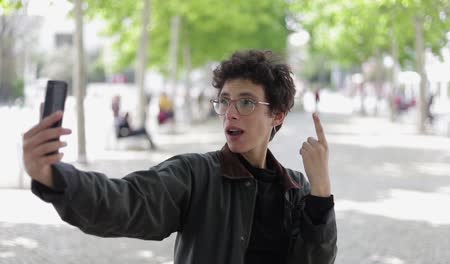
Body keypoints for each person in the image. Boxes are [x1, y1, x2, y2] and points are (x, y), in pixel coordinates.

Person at [22, 50, 337, 264]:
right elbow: (126, 202)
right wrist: (54, 176)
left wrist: (321, 194)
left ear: (278, 116)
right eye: (224, 101)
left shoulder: (296, 188)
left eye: (245, 103)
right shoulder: (195, 174)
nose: (230, 114)